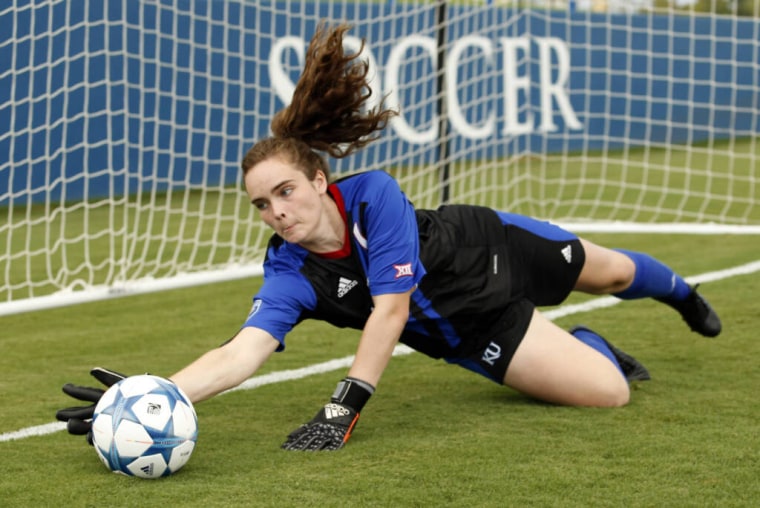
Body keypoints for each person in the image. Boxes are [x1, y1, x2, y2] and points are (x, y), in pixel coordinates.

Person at [56, 23, 721, 451]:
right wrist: (154, 395)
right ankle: (590, 342)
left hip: (494, 247)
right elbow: (241, 353)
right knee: (611, 393)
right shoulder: (289, 271)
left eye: (284, 191)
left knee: (617, 276)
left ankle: (685, 295)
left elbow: (391, 307)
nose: (276, 212)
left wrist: (344, 406)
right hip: (470, 331)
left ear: (319, 180)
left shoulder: (372, 194)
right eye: (261, 204)